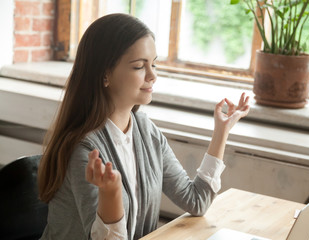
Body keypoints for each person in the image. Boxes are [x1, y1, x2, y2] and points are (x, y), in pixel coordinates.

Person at [37, 13, 250, 240]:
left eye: (154, 64)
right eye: (139, 66)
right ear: (105, 74)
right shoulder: (86, 151)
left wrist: (222, 131)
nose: (153, 75)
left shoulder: (146, 132)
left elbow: (196, 201)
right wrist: (111, 194)